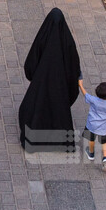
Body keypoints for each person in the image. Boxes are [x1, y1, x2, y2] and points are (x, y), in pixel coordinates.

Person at [18, 8, 83, 152]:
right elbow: (74, 64)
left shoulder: (43, 37)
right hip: (60, 85)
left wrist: (35, 76)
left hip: (42, 82)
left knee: (37, 109)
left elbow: (32, 60)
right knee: (58, 111)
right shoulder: (68, 43)